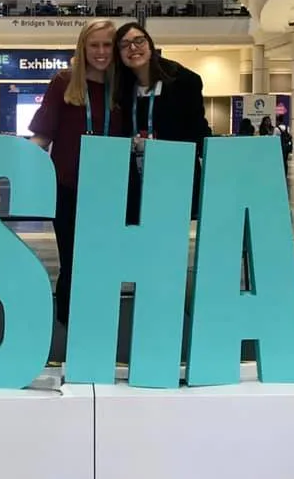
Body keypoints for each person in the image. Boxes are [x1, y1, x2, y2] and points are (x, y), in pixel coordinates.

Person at [28, 19, 123, 327]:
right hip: (69, 189)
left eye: (107, 44)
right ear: (82, 48)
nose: (101, 52)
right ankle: (70, 332)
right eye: (94, 45)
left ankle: (100, 329)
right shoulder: (64, 83)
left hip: (112, 189)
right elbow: (43, 136)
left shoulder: (124, 87)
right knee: (72, 262)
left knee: (105, 262)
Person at [113, 22, 211, 222]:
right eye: (124, 44)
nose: (133, 48)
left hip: (173, 176)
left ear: (150, 44)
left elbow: (197, 131)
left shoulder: (183, 82)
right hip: (132, 181)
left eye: (138, 41)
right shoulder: (119, 87)